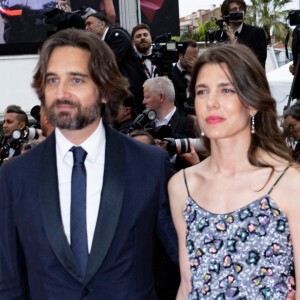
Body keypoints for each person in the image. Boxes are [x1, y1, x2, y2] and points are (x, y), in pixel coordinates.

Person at [0, 28, 177, 299]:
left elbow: (189, 261)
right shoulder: (14, 176)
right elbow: (8, 282)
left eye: (77, 80)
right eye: (52, 80)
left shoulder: (150, 165)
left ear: (105, 90)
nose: (61, 93)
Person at [168, 44, 299, 299]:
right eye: (202, 91)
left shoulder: (290, 183)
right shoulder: (182, 185)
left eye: (226, 90)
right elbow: (187, 285)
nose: (211, 103)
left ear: (252, 103)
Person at [85, 12, 147, 114]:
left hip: (134, 93)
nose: (86, 28)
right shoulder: (100, 43)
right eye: (85, 25)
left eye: (89, 24)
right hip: (120, 94)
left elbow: (109, 62)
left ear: (102, 25)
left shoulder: (117, 36)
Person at [221, 0, 267, 68]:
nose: (239, 12)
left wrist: (234, 44)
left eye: (241, 9)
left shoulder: (257, 33)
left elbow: (259, 64)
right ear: (226, 15)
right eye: (234, 9)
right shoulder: (222, 36)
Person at [170, 40, 198, 116]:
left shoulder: (199, 74)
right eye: (190, 58)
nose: (193, 61)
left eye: (195, 58)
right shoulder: (171, 74)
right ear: (180, 56)